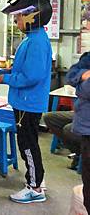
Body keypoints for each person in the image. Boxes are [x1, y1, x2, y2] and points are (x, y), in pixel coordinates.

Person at [0, 0, 53, 204]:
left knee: (27, 144)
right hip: (26, 101)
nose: (16, 21)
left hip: (28, 102)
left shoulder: (36, 41)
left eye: (19, 16)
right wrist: (8, 70)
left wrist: (7, 78)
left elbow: (32, 76)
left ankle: (35, 188)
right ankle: (38, 178)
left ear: (33, 17)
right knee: (31, 143)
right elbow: (26, 68)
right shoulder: (34, 38)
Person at [66, 52, 90, 212]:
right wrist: (82, 75)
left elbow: (86, 90)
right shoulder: (88, 56)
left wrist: (80, 84)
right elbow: (70, 75)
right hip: (84, 124)